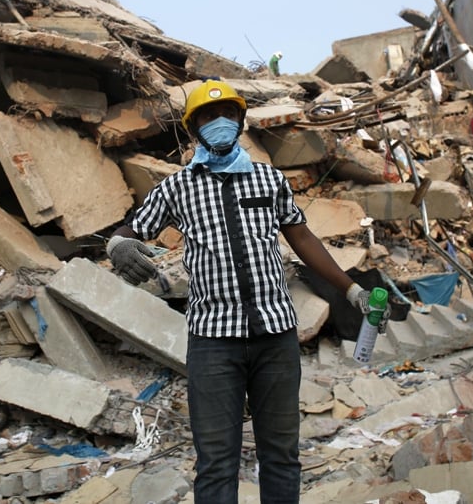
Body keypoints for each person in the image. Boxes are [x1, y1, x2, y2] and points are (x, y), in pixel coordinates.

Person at [107, 79, 371, 504]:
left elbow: (303, 239)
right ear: (195, 129)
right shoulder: (176, 188)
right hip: (213, 343)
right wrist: (117, 244)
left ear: (241, 120)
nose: (220, 122)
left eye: (228, 114)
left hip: (276, 338)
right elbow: (132, 228)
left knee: (282, 455)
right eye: (208, 116)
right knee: (215, 462)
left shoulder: (268, 180)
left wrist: (352, 289)